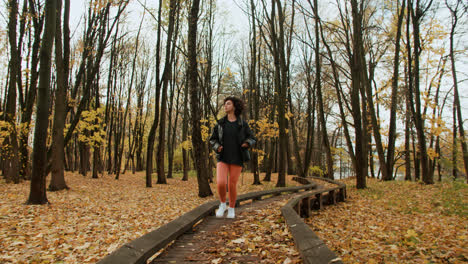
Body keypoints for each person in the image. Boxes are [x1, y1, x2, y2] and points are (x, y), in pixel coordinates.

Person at [209, 96, 256, 219]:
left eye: (228, 104)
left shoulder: (243, 124)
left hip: (237, 157)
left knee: (232, 184)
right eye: (225, 104)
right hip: (223, 157)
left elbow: (252, 138)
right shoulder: (220, 124)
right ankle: (223, 204)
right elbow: (212, 139)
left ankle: (232, 208)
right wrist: (217, 146)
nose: (225, 106)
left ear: (234, 106)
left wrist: (247, 143)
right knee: (220, 183)